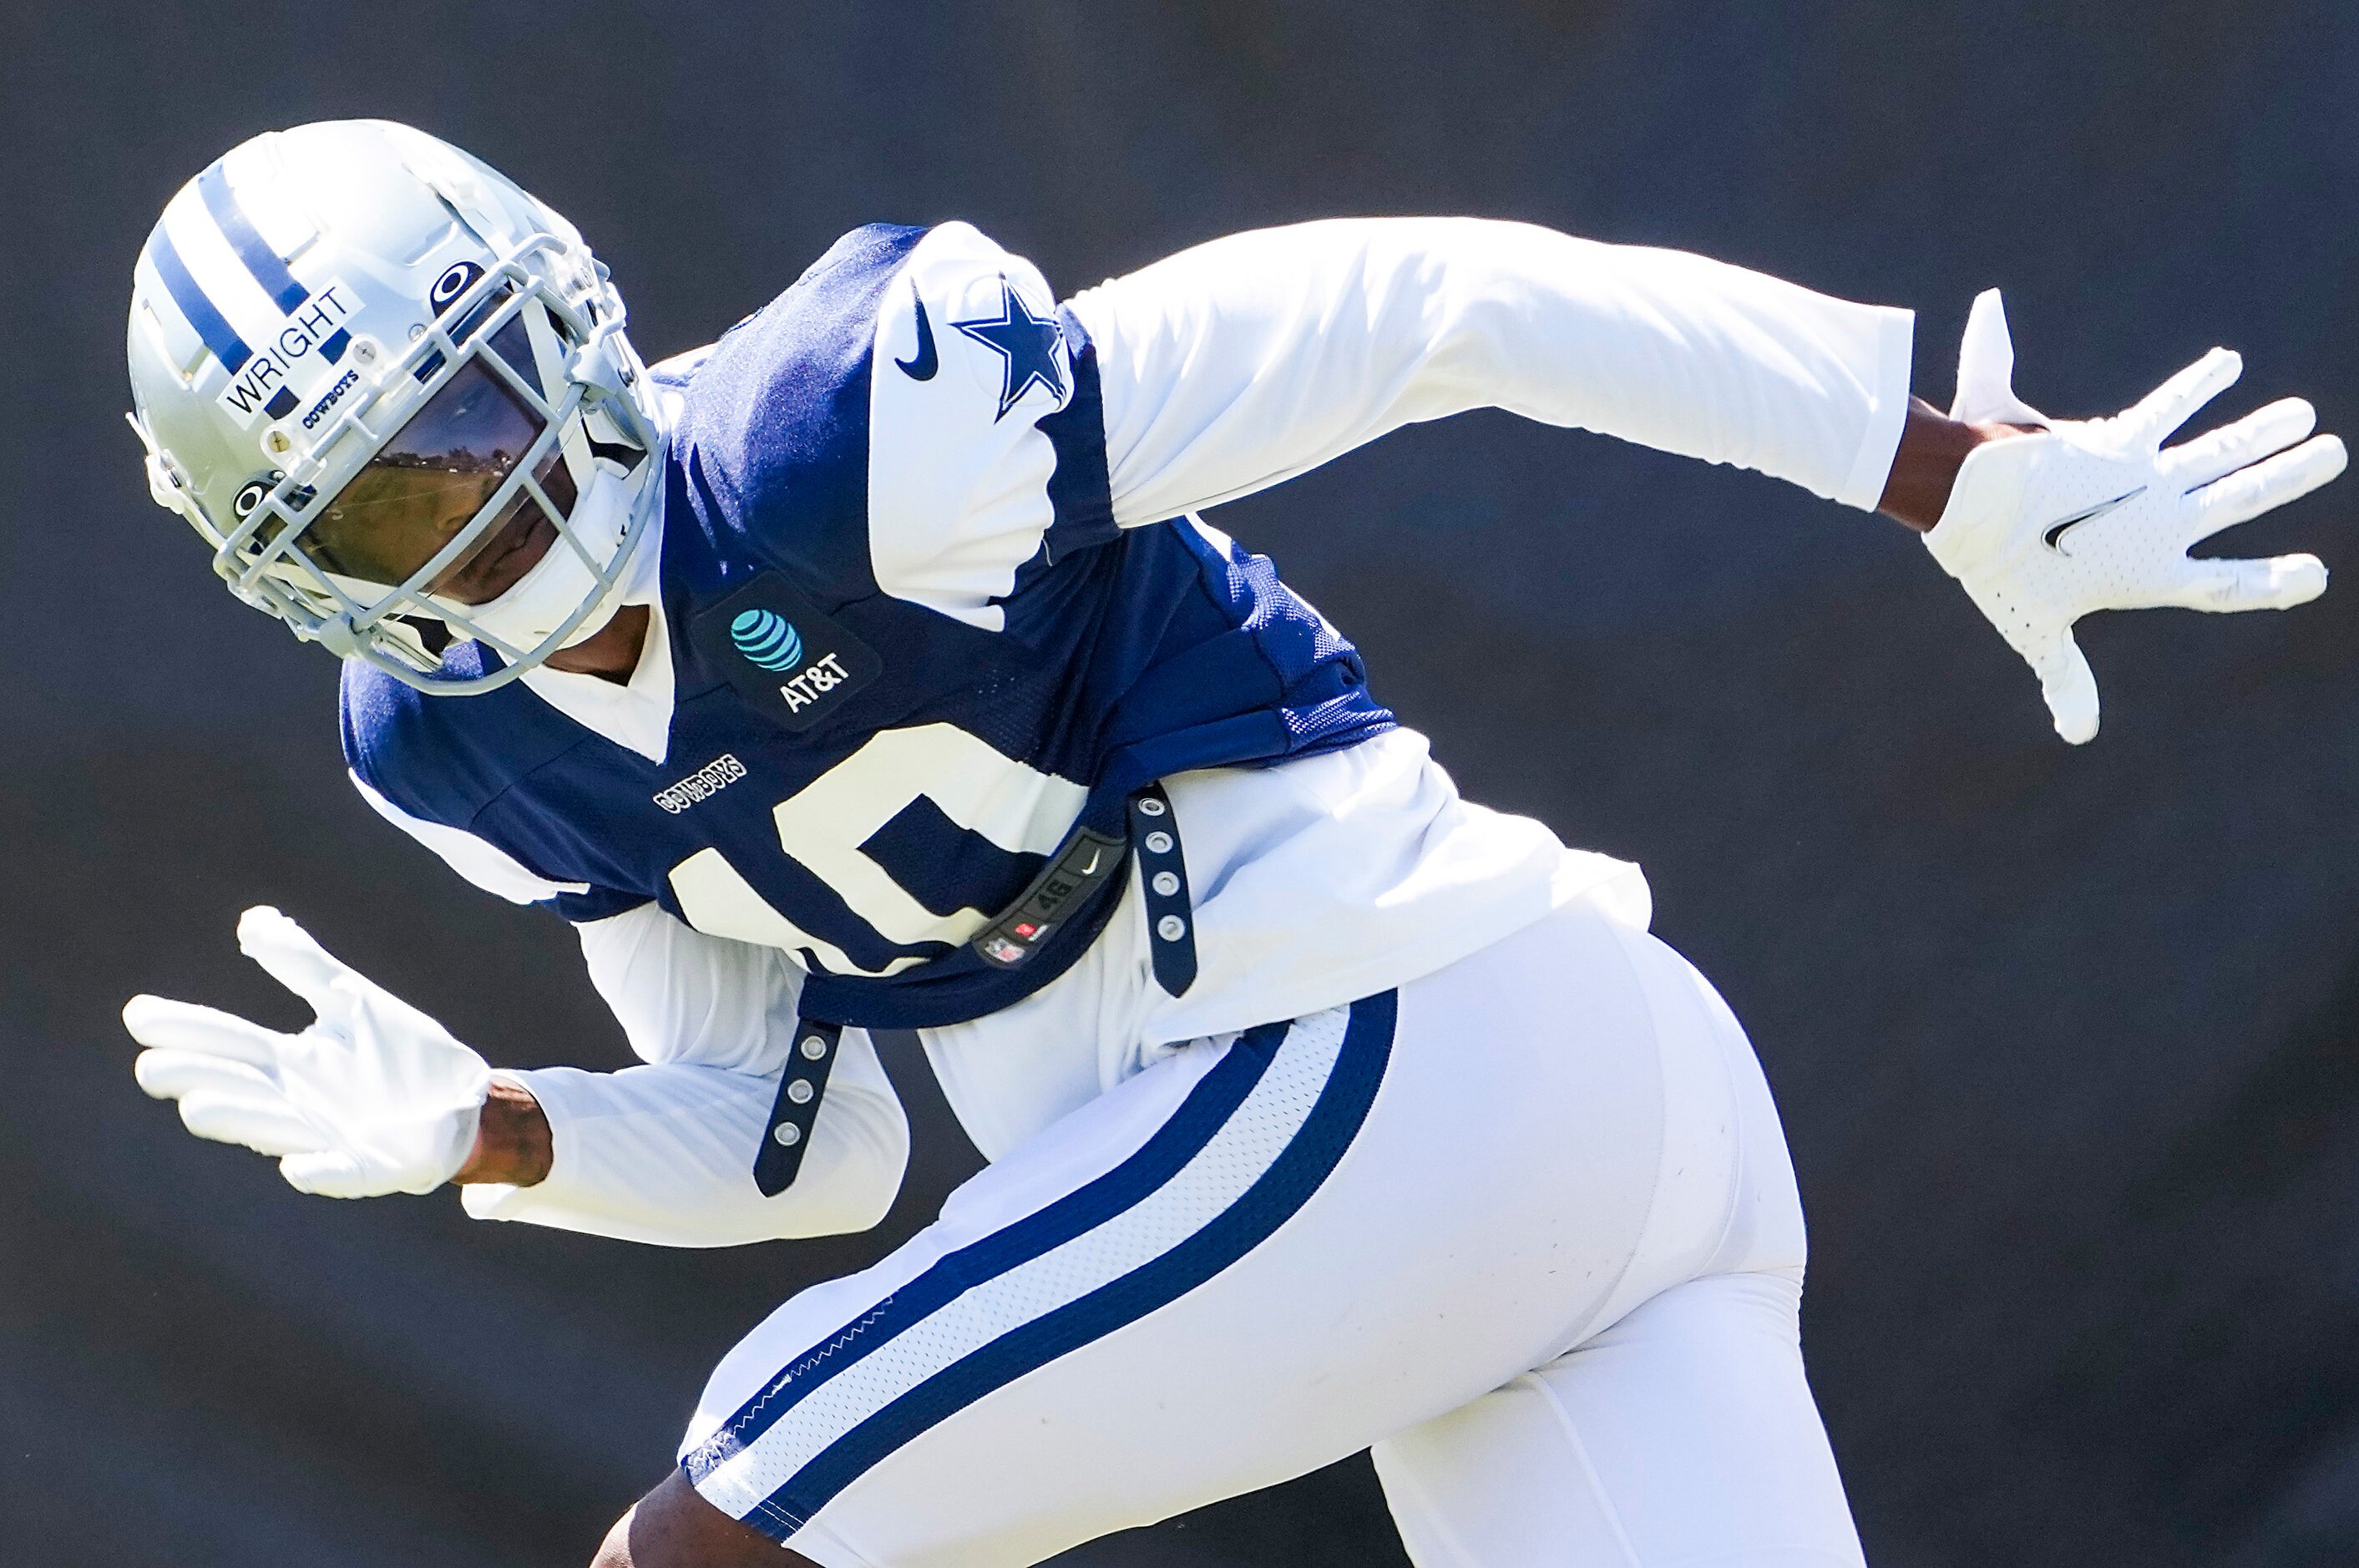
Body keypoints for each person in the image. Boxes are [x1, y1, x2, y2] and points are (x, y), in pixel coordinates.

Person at [119, 119, 2342, 1568]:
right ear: (297, 568)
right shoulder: (455, 753)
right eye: (393, 497)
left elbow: (1432, 310)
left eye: (475, 409)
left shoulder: (849, 430)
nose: (482, 504)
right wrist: (497, 1133)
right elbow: (799, 1158)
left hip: (1400, 1053)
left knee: (725, 1530)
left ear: (562, 311)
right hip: (1531, 1170)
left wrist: (1927, 460)